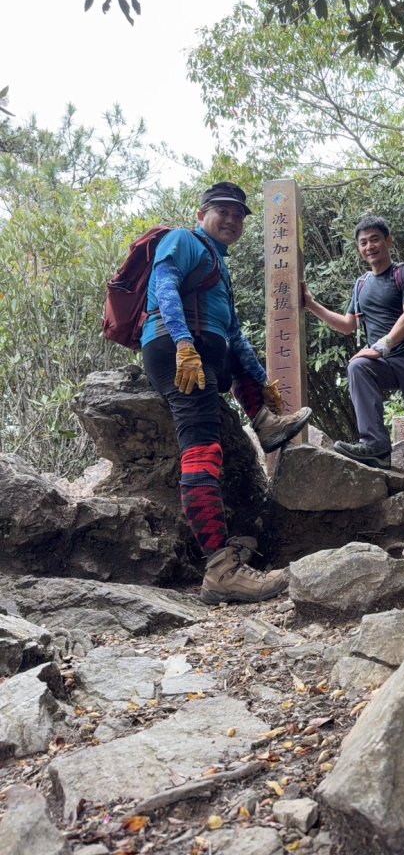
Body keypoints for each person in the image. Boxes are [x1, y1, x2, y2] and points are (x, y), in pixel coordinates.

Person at [141, 182, 312, 605]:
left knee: (236, 351)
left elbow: (234, 334)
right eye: (223, 211)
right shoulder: (182, 240)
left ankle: (267, 425)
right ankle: (221, 570)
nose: (232, 220)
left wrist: (261, 382)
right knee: (203, 450)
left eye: (239, 215)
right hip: (177, 348)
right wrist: (182, 342)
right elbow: (164, 285)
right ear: (202, 214)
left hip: (209, 349)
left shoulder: (219, 262)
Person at [302, 216, 404, 504]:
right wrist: (310, 305)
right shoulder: (361, 284)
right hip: (384, 361)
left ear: (389, 241)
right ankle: (376, 447)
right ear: (359, 248)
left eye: (375, 239)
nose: (370, 246)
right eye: (363, 242)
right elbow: (346, 325)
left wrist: (381, 346)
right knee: (358, 367)